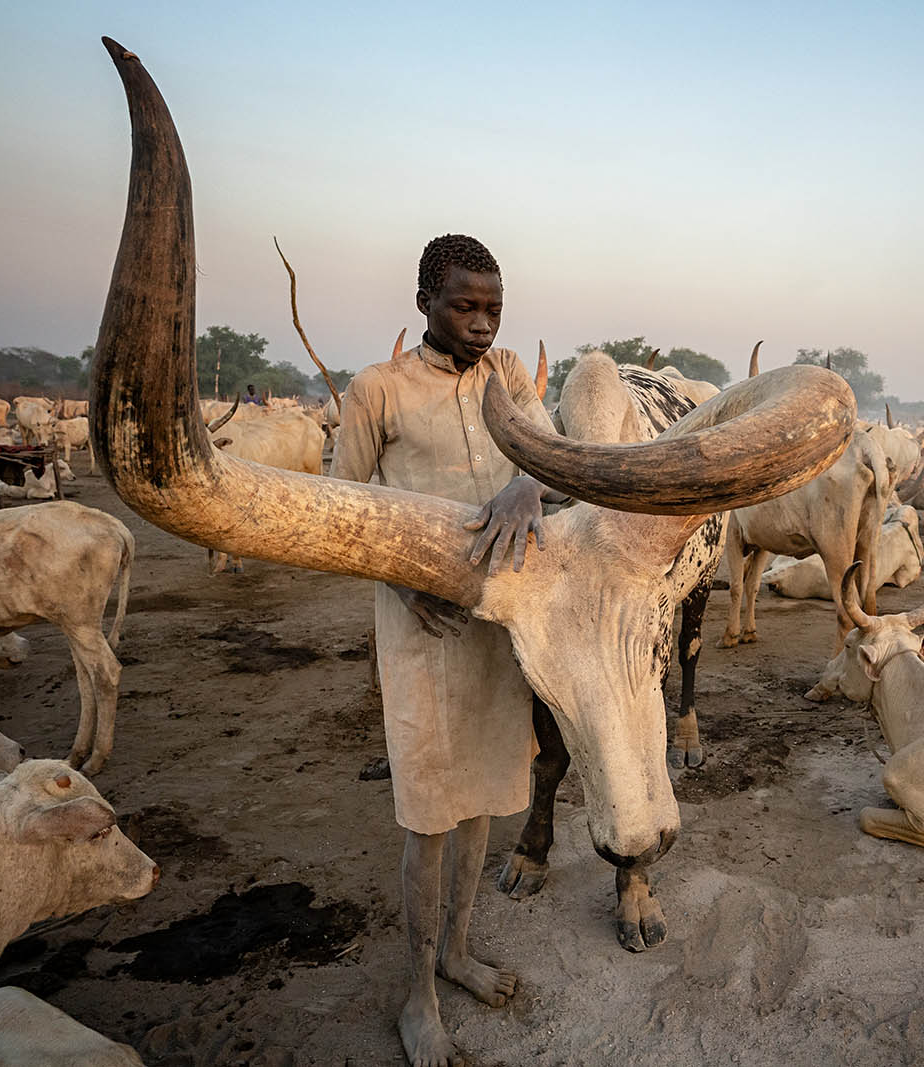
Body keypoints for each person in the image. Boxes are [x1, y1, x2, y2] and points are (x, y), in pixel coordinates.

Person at [332, 234, 562, 1067]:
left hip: (500, 626)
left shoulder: (509, 383)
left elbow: (554, 459)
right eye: (465, 306)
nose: (481, 324)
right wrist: (403, 583)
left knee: (484, 801)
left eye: (494, 308)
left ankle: (459, 950)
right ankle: (417, 995)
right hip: (421, 632)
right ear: (425, 300)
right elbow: (341, 511)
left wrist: (526, 480)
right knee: (430, 814)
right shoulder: (377, 391)